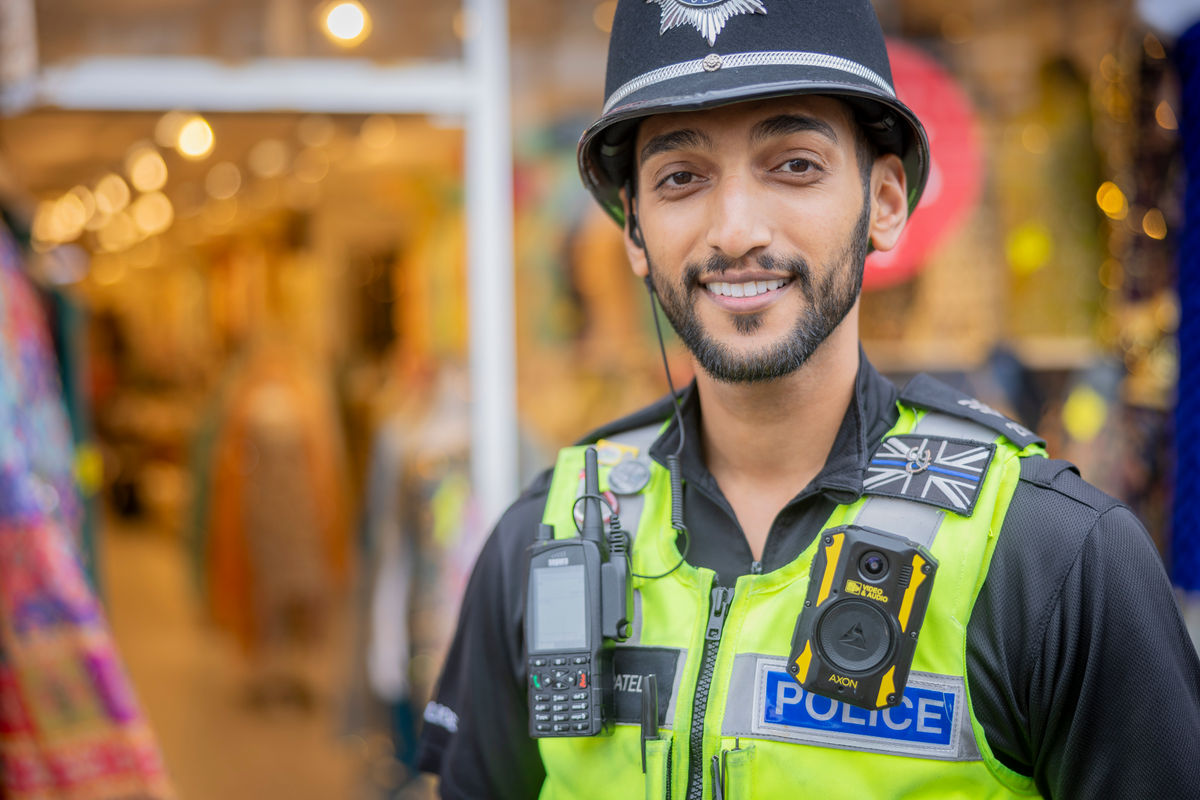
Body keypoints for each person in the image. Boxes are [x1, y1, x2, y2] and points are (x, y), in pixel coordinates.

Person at [417, 1, 1200, 797]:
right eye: (681, 178)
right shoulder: (542, 538)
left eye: (794, 164)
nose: (735, 230)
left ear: (886, 203)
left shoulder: (1053, 556)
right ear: (633, 233)